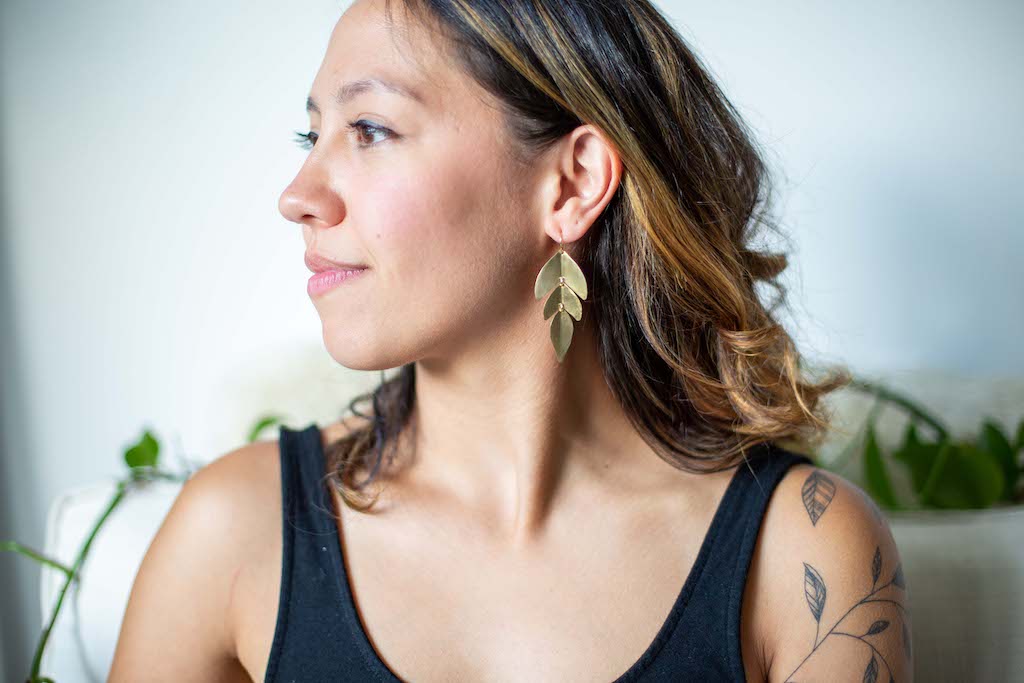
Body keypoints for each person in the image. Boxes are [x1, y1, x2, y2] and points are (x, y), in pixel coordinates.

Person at [110, 0, 912, 681]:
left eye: (371, 129)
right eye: (309, 136)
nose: (299, 195)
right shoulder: (233, 532)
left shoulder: (802, 553)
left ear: (570, 183)